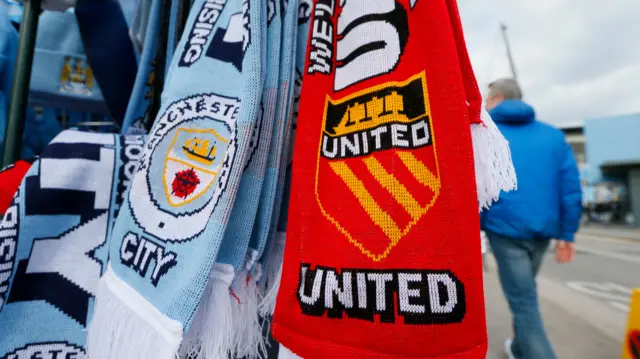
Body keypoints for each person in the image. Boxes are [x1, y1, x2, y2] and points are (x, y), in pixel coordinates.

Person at [482, 78, 582, 359]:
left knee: (524, 302)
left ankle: (534, 351)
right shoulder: (553, 136)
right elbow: (571, 188)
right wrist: (567, 234)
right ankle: (519, 348)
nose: (485, 105)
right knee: (524, 295)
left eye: (488, 99)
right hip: (542, 232)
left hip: (505, 230)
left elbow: (474, 186)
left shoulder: (488, 134)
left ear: (499, 98)